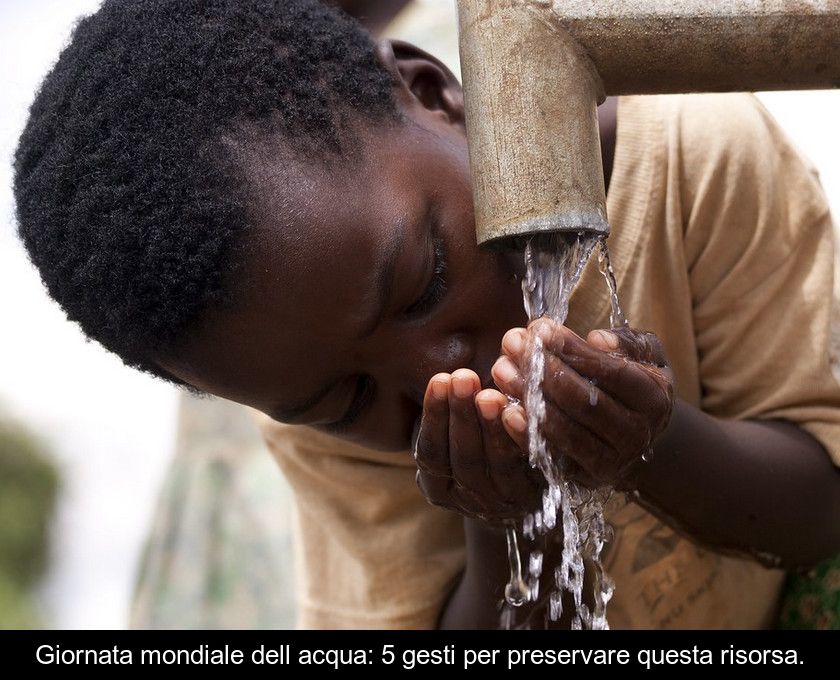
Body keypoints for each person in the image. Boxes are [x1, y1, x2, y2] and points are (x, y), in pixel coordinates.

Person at [13, 0, 840, 629]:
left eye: (425, 280)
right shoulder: (311, 420)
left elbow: (821, 510)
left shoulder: (688, 159)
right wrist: (509, 526)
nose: (442, 376)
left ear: (435, 92)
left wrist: (651, 442)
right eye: (348, 402)